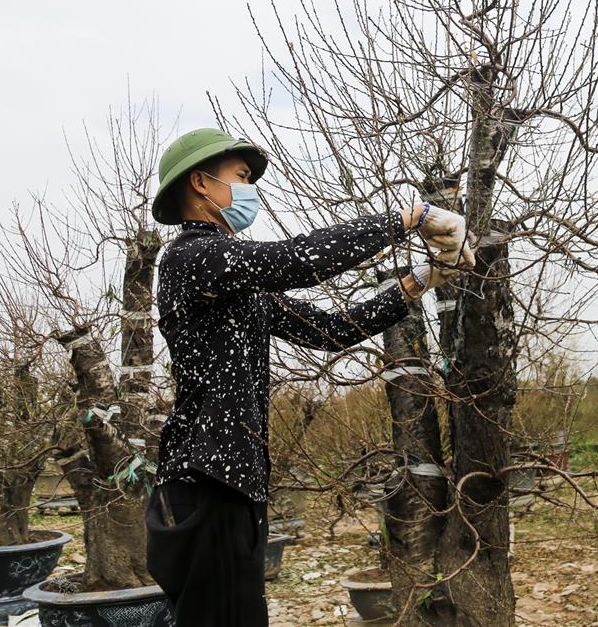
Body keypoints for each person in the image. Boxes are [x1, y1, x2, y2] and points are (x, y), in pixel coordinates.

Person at [144, 128, 473, 626]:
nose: (251, 188)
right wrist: (411, 218)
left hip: (233, 483)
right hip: (205, 481)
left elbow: (332, 330)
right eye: (242, 176)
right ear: (201, 183)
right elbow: (296, 260)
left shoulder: (237, 284)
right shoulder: (191, 258)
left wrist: (421, 280)